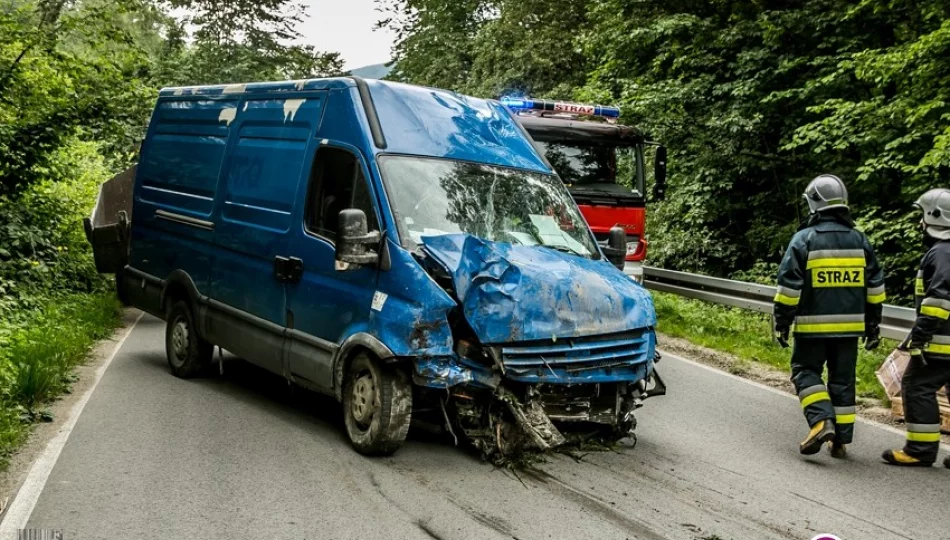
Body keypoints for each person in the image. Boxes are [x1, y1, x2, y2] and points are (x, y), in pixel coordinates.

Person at [774, 175, 885, 457]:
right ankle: (841, 441)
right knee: (843, 381)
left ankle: (821, 422)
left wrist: (782, 323)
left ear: (814, 204)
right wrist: (873, 325)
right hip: (850, 330)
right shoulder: (860, 240)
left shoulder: (804, 239)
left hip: (813, 328)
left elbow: (789, 289)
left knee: (805, 371)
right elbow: (875, 288)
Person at [882, 188, 950, 468]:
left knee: (917, 385)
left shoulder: (941, 253)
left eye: (922, 216)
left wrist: (919, 337)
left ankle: (920, 450)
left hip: (943, 342)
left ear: (935, 217)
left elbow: (937, 302)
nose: (920, 223)